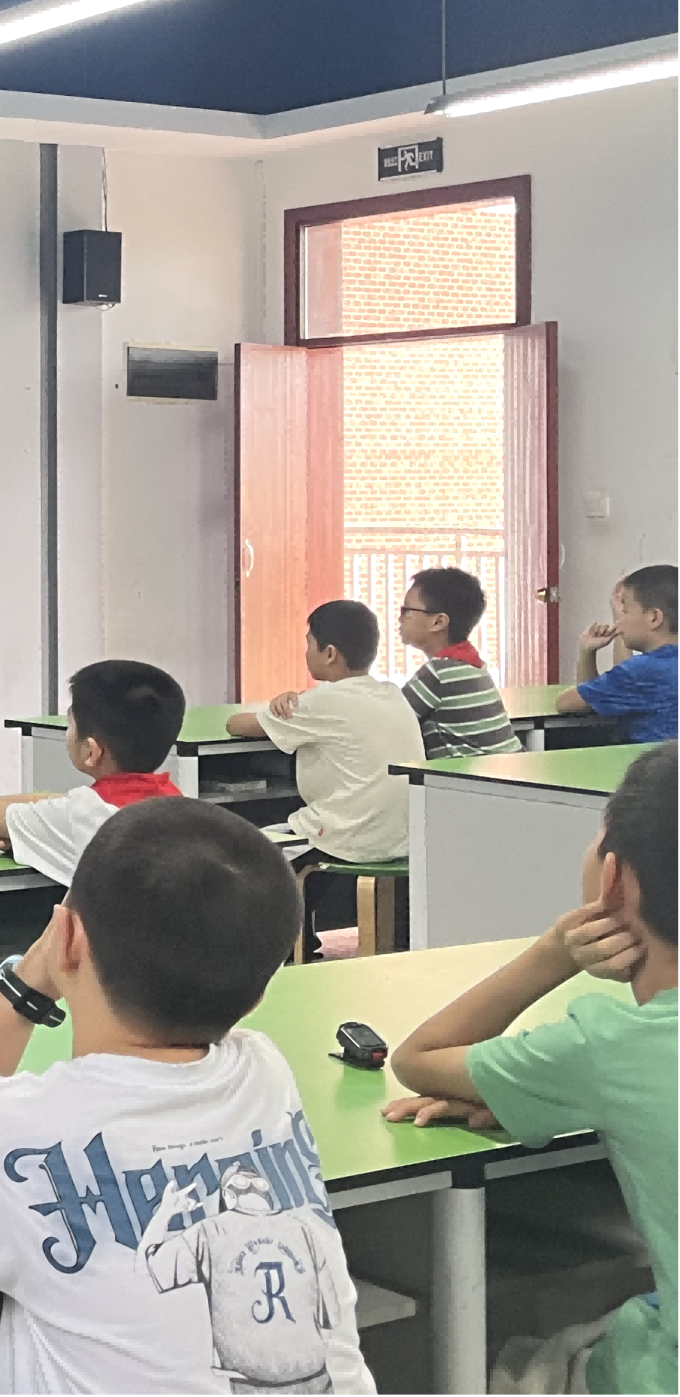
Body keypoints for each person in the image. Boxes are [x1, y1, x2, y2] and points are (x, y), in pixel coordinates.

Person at [0, 800, 371, 1394]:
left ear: (65, 937)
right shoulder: (265, 1073)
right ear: (258, 995)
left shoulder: (11, 1129)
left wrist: (24, 986)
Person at [383, 742, 675, 1397]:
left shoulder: (605, 1046)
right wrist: (527, 1089)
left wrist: (555, 952)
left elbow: (418, 1058)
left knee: (521, 1363)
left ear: (613, 879)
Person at [227, 600, 424, 958]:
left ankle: (280, 951)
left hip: (352, 833)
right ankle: (304, 942)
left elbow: (236, 724)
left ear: (329, 653)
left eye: (308, 643)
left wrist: (284, 704)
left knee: (250, 850)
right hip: (402, 835)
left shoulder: (322, 702)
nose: (306, 652)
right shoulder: (390, 693)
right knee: (307, 839)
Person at [0, 660, 185, 886]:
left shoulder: (81, 812)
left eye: (70, 724)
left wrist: (55, 805)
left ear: (91, 751)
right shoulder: (179, 804)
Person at [397, 567, 520, 759]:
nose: (400, 617)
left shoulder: (439, 673)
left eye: (406, 610)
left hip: (477, 777)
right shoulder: (470, 663)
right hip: (505, 770)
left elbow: (388, 719)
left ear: (438, 622)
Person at [557, 564, 679, 744]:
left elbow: (568, 703)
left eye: (625, 611)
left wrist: (585, 652)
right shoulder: (642, 672)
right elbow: (625, 684)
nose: (619, 622)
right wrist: (590, 651)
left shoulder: (643, 671)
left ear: (654, 617)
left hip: (652, 761)